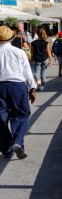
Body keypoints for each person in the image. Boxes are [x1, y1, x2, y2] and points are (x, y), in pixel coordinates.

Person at [0, 25, 37, 159]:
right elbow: (27, 72)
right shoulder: (18, 52)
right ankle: (17, 142)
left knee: (1, 119)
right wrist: (32, 88)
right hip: (17, 85)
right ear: (12, 37)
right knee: (21, 115)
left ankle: (7, 149)